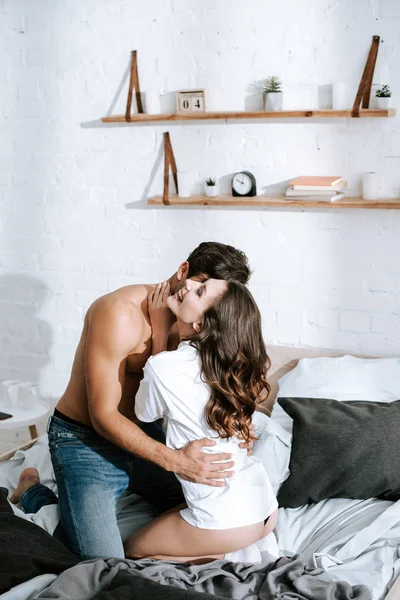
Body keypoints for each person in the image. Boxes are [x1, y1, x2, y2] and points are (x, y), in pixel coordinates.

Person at [46, 242, 253, 559]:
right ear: (183, 271)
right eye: (201, 291)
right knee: (105, 563)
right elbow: (102, 415)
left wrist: (242, 426)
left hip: (146, 434)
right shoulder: (118, 313)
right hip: (85, 440)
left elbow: (222, 379)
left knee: (213, 516)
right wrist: (176, 461)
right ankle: (33, 492)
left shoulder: (202, 318)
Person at [124, 278, 278, 562]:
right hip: (265, 508)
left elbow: (144, 415)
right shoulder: (230, 368)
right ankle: (233, 548)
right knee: (161, 523)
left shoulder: (164, 368)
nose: (189, 284)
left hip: (228, 523)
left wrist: (159, 332)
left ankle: (227, 555)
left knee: (132, 551)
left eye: (199, 291)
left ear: (200, 325)